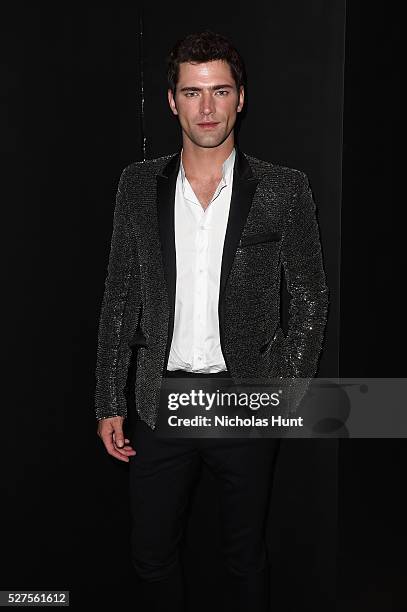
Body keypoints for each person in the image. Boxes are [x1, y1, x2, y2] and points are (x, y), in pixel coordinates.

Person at [95, 30, 329, 612]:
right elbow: (120, 297)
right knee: (151, 556)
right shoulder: (136, 186)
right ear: (171, 101)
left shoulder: (284, 189)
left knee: (244, 554)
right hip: (160, 401)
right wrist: (108, 401)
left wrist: (282, 398)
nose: (207, 108)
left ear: (240, 98)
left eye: (219, 91)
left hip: (242, 403)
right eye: (193, 92)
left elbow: (308, 302)